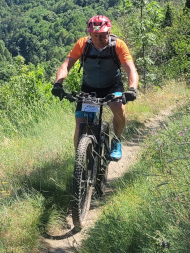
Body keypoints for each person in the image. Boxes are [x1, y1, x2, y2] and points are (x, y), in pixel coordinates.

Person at [51, 15, 139, 161]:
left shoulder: (118, 45)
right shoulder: (82, 44)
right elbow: (66, 65)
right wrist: (58, 84)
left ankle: (116, 140)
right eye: (95, 35)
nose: (99, 38)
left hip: (112, 86)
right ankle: (79, 161)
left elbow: (131, 70)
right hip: (89, 87)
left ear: (109, 33)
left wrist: (132, 89)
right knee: (80, 125)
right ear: (90, 34)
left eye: (103, 35)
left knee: (119, 107)